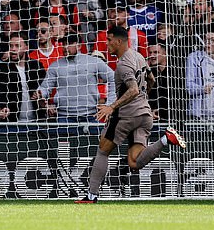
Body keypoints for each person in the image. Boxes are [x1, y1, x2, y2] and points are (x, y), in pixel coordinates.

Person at [76, 26, 186, 203]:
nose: (107, 44)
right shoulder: (139, 56)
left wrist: (112, 107)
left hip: (125, 116)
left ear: (119, 41)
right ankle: (165, 139)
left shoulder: (123, 64)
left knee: (103, 152)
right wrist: (144, 101)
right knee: (134, 162)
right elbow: (151, 80)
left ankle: (91, 195)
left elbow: (133, 90)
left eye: (109, 40)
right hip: (145, 115)